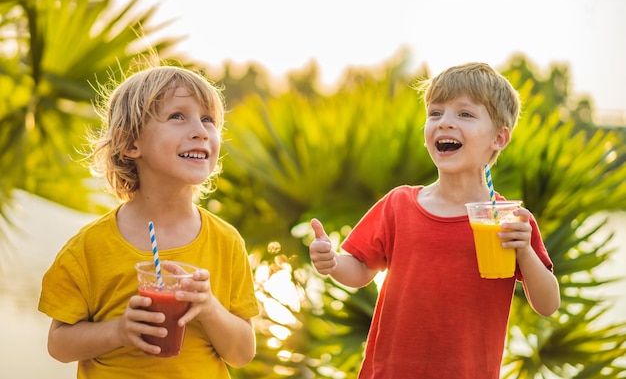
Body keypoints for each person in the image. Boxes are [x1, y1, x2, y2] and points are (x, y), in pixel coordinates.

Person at [309, 62, 560, 379]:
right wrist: (332, 262)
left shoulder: (509, 220)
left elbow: (548, 303)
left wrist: (523, 250)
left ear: (499, 138)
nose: (445, 123)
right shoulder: (399, 205)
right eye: (435, 113)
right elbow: (360, 271)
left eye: (464, 114)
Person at [38, 65, 260, 378]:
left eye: (208, 119)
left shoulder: (227, 242)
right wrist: (118, 332)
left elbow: (241, 354)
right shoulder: (89, 247)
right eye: (177, 117)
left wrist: (209, 308)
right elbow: (59, 344)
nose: (200, 130)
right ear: (130, 144)